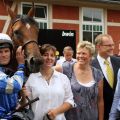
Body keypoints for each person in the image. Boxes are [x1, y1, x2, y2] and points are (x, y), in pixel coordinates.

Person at [24, 44, 74, 120]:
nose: (49, 58)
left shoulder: (63, 78)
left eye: (52, 55)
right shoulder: (31, 78)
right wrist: (23, 97)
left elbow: (69, 101)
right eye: (45, 55)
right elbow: (26, 105)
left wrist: (56, 112)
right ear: (40, 57)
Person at [64, 41, 104, 120]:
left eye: (84, 53)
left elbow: (100, 100)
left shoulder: (97, 74)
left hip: (92, 117)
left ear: (91, 56)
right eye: (78, 53)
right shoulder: (66, 68)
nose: (80, 56)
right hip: (71, 117)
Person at [91, 34, 120, 120]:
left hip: (117, 114)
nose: (112, 48)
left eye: (113, 45)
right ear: (98, 47)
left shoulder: (118, 62)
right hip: (99, 114)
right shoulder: (90, 65)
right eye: (108, 45)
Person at [0, 33, 25, 119]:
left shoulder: (8, 71)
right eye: (0, 52)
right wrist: (21, 65)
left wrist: (17, 103)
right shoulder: (18, 71)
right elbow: (14, 86)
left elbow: (8, 93)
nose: (3, 55)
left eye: (6, 51)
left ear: (11, 52)